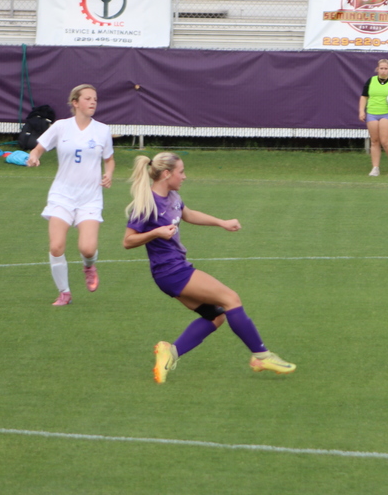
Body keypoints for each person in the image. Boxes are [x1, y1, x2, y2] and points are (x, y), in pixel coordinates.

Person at [123, 152, 295, 383]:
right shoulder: (146, 205)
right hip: (172, 273)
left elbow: (189, 215)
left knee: (216, 316)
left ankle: (170, 353)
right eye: (181, 172)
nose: (184, 176)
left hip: (175, 270)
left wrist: (221, 223)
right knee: (231, 299)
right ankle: (261, 355)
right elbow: (128, 241)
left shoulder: (173, 196)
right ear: (166, 174)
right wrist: (156, 232)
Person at [26, 84, 115, 306]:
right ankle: (64, 292)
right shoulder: (60, 127)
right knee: (56, 246)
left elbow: (109, 159)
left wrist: (109, 174)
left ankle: (88, 265)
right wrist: (34, 156)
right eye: (87, 98)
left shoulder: (102, 130)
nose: (93, 102)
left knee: (88, 248)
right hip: (62, 195)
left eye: (95, 99)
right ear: (75, 103)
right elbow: (39, 147)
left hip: (90, 198)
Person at [358, 59, 388, 177]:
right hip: (372, 113)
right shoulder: (371, 81)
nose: (383, 71)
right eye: (381, 68)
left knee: (385, 141)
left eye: (386, 68)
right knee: (375, 141)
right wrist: (361, 111)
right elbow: (364, 96)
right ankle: (375, 168)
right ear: (377, 69)